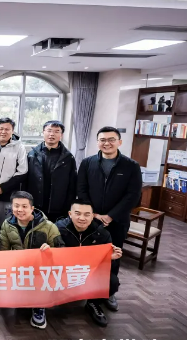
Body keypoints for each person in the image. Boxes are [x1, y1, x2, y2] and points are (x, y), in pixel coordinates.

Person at [77, 126, 142, 313]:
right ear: (97, 142)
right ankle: (87, 289)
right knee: (89, 256)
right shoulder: (87, 163)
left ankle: (109, 291)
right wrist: (94, 214)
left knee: (113, 256)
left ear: (119, 142)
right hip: (91, 219)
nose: (107, 143)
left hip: (118, 221)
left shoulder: (131, 166)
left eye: (111, 139)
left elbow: (133, 196)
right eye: (103, 140)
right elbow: (81, 189)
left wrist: (111, 215)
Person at [0, 191, 63, 330]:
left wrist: (50, 250)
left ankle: (39, 306)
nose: (20, 210)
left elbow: (61, 250)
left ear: (32, 208)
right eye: (16, 206)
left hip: (41, 270)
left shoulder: (48, 226)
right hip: (19, 268)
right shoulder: (6, 225)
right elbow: (3, 251)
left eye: (24, 206)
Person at [56, 200, 122, 327]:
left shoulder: (102, 234)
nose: (82, 218)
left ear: (93, 216)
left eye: (87, 214)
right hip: (64, 271)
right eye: (77, 213)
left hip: (90, 272)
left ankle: (93, 303)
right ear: (70, 214)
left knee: (112, 281)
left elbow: (109, 268)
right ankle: (43, 305)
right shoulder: (58, 228)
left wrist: (111, 258)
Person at [26, 120, 77, 223]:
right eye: (49, 130)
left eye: (56, 131)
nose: (52, 134)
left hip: (58, 205)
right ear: (43, 132)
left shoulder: (68, 157)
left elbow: (72, 184)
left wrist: (69, 205)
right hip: (35, 204)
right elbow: (26, 180)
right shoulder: (32, 154)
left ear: (61, 135)